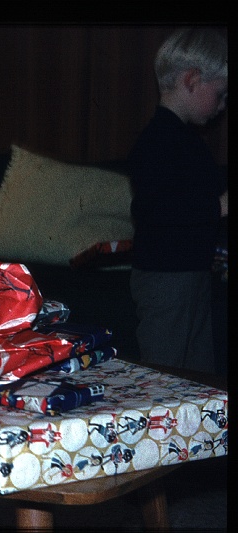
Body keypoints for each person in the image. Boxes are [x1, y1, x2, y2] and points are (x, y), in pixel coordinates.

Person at [128, 27, 228, 376]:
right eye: (220, 94)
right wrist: (218, 207)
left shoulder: (189, 141)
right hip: (165, 280)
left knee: (199, 373)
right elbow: (154, 209)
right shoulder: (158, 140)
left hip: (191, 275)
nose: (222, 106)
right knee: (163, 371)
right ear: (191, 80)